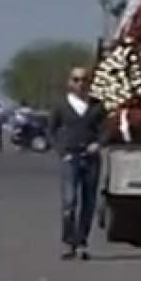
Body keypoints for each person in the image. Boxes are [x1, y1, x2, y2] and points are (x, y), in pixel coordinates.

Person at [48, 67, 105, 260]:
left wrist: (98, 143)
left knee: (88, 203)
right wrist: (61, 151)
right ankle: (68, 242)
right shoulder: (61, 106)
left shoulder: (97, 106)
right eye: (76, 80)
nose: (81, 84)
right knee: (70, 201)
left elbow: (106, 130)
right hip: (70, 158)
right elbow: (51, 130)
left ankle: (82, 242)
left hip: (91, 159)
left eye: (84, 80)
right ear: (70, 83)